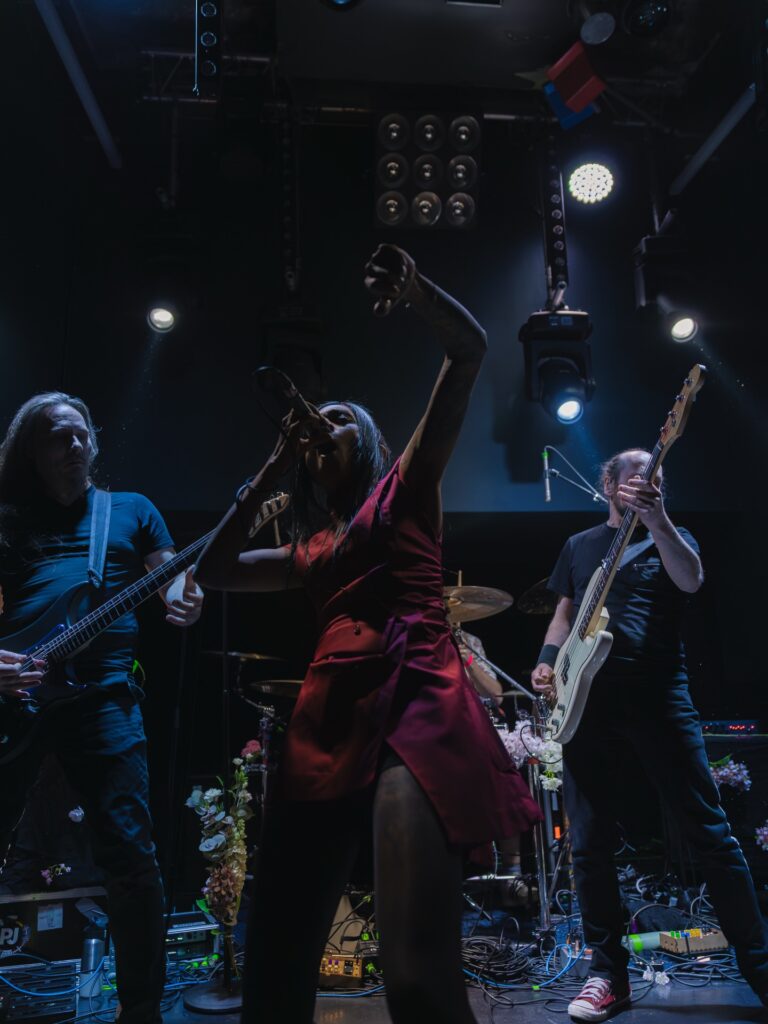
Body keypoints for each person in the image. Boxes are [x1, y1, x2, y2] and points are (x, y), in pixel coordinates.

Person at [195, 243, 542, 1024]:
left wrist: (418, 290)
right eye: (315, 424)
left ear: (371, 440)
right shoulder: (309, 549)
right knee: (273, 975)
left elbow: (470, 349)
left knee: (415, 977)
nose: (323, 426)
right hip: (324, 723)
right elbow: (214, 569)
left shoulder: (405, 487)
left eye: (340, 419)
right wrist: (272, 467)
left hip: (413, 706)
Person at [532, 449, 768, 1022]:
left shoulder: (672, 536)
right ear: (608, 485)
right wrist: (548, 661)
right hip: (588, 703)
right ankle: (607, 976)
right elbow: (564, 614)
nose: (647, 482)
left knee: (711, 834)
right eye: (636, 475)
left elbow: (691, 580)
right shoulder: (579, 545)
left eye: (656, 476)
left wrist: (659, 521)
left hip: (659, 696)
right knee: (588, 844)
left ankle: (761, 967)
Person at [0, 392, 203, 1024]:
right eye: (58, 436)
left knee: (131, 857)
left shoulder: (132, 510)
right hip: (15, 696)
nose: (75, 444)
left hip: (104, 697)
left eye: (82, 433)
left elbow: (172, 577)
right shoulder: (9, 518)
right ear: (31, 450)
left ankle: (139, 1011)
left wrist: (185, 595)